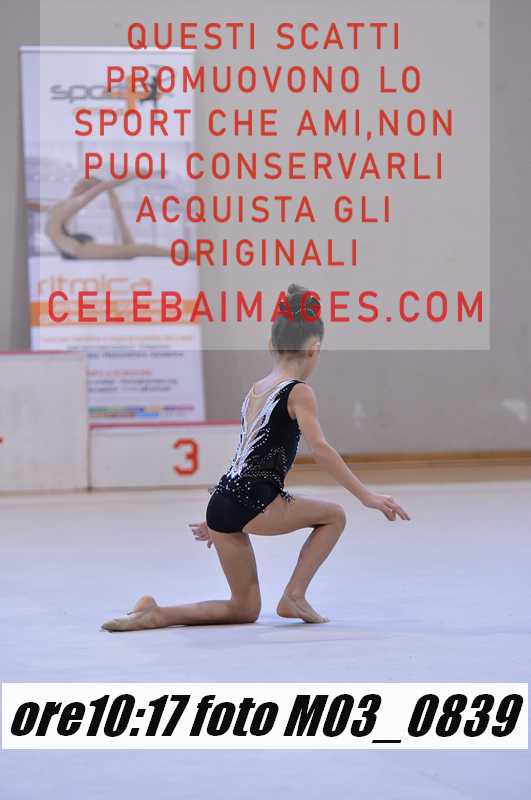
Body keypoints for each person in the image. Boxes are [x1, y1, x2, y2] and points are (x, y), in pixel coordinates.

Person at [102, 284, 410, 631]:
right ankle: (294, 595)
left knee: (244, 608)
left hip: (223, 501)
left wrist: (220, 515)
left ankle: (156, 614)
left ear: (270, 345)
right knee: (334, 516)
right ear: (314, 349)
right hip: (255, 502)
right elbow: (320, 449)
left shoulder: (256, 390)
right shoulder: (299, 392)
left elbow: (245, 453)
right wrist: (367, 496)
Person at [40, 176, 168, 260]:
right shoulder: (66, 205)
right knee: (136, 250)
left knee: (132, 250)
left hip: (72, 248)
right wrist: (136, 174)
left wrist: (112, 195)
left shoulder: (62, 206)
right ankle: (175, 253)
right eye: (81, 183)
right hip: (74, 249)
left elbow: (103, 187)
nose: (78, 186)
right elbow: (104, 186)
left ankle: (175, 253)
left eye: (84, 185)